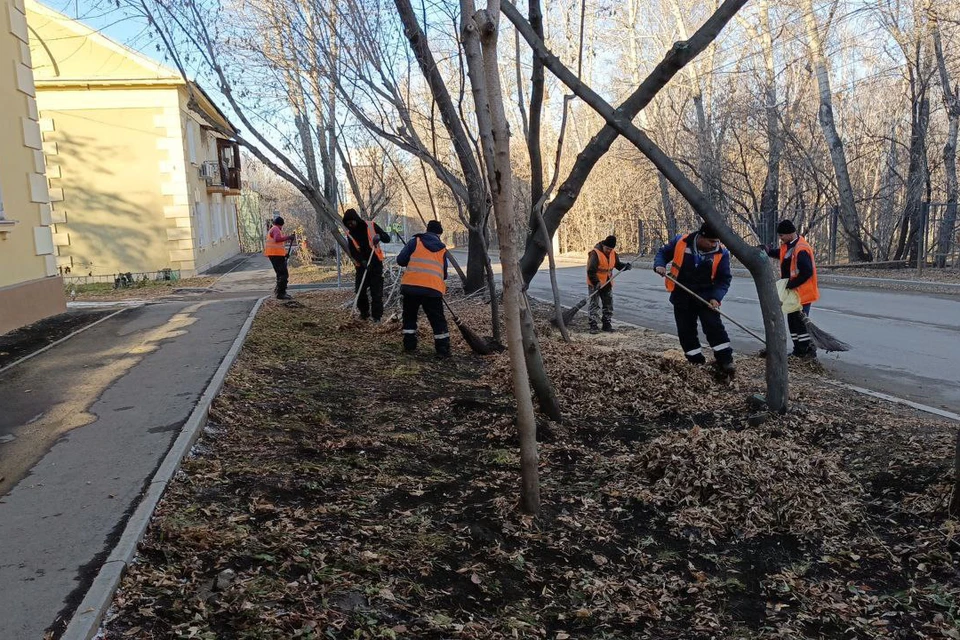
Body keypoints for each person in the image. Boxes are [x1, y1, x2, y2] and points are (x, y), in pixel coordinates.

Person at [654, 222, 735, 373]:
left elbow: (723, 280)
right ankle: (696, 362)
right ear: (701, 237)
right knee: (686, 331)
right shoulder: (681, 242)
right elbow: (663, 253)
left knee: (714, 327)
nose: (714, 245)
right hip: (681, 295)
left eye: (717, 241)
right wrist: (660, 264)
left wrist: (716, 298)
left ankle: (725, 361)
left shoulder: (721, 253)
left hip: (706, 297)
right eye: (711, 241)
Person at [764, 219, 820, 359]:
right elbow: (781, 255)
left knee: (800, 322)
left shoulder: (801, 249)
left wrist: (791, 284)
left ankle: (806, 350)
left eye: (782, 235)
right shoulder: (788, 246)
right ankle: (798, 350)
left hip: (802, 293)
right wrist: (768, 251)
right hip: (793, 293)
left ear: (790, 234)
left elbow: (807, 272)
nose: (780, 238)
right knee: (793, 321)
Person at [396, 220, 451, 358]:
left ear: (427, 230)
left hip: (411, 288)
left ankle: (409, 345)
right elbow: (444, 274)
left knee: (409, 316)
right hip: (432, 290)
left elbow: (400, 260)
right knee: (438, 320)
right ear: (439, 233)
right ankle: (442, 349)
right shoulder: (442, 249)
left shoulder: (415, 241)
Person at [343, 208, 391, 322]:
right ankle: (364, 313)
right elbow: (353, 251)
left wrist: (380, 236)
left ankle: (377, 317)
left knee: (376, 293)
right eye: (347, 223)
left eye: (351, 221)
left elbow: (387, 238)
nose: (350, 224)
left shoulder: (371, 226)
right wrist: (362, 261)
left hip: (375, 265)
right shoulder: (350, 234)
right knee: (359, 292)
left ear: (356, 219)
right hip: (362, 267)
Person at [586, 235, 632, 333]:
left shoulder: (613, 254)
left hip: (607, 282)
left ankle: (606, 323)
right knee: (594, 304)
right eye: (607, 248)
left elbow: (618, 265)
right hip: (595, 283)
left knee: (608, 304)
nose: (609, 251)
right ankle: (593, 324)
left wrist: (625, 266)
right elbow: (590, 271)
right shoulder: (595, 254)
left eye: (611, 249)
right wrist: (596, 282)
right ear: (603, 245)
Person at [263, 216, 295, 300]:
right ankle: (281, 293)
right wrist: (289, 237)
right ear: (281, 224)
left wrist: (284, 255)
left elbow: (276, 245)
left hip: (275, 255)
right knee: (284, 274)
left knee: (280, 274)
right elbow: (277, 239)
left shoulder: (273, 229)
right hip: (275, 256)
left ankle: (278, 292)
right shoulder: (276, 229)